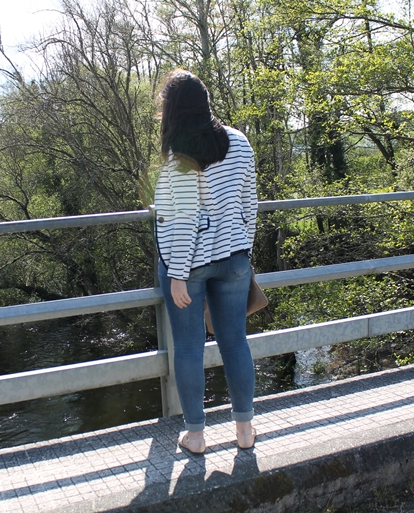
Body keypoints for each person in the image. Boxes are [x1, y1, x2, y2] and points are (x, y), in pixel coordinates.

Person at [154, 69, 258, 454]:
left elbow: (184, 221)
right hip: (234, 259)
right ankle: (244, 431)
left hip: (191, 265)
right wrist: (243, 251)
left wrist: (178, 274)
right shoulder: (240, 142)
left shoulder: (178, 153)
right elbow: (250, 204)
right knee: (235, 341)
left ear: (173, 109)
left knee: (188, 347)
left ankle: (196, 436)